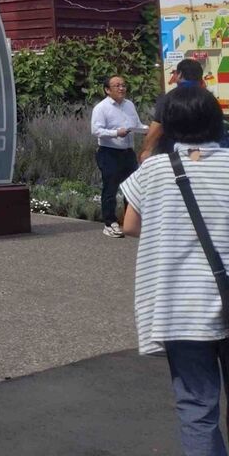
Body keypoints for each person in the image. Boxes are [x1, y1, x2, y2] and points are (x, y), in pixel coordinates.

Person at [120, 86, 229, 455]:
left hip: (180, 309)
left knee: (197, 409)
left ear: (168, 125)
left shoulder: (153, 170)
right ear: (216, 122)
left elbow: (130, 226)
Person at [142, 59, 226, 161]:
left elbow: (156, 129)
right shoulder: (209, 98)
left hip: (175, 157)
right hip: (208, 156)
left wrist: (146, 150)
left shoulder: (170, 98)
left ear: (180, 74)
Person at [92, 75, 141, 238]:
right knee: (110, 188)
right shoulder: (101, 108)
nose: (121, 88)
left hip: (128, 152)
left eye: (123, 85)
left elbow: (136, 124)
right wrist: (115, 133)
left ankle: (130, 222)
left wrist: (147, 130)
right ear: (107, 90)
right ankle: (110, 223)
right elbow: (96, 130)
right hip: (109, 152)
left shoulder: (129, 105)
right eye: (117, 86)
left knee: (132, 187)